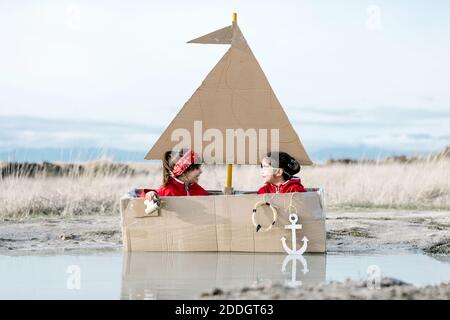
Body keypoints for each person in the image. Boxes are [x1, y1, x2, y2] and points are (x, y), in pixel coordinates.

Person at [141, 149, 208, 199]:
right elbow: (147, 196)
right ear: (183, 172)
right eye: (196, 168)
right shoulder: (169, 190)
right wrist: (150, 194)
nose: (200, 171)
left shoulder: (194, 188)